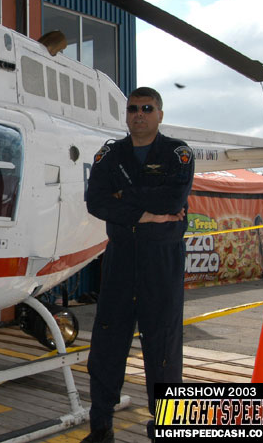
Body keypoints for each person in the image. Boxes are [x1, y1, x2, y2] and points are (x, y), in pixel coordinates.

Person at [83, 87, 194, 442]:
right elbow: (95, 200)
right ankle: (101, 428)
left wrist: (124, 199)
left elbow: (173, 198)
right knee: (106, 344)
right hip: (120, 260)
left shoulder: (178, 153)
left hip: (161, 261)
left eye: (147, 108)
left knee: (163, 346)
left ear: (160, 114)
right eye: (133, 109)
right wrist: (145, 212)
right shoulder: (110, 154)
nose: (139, 114)